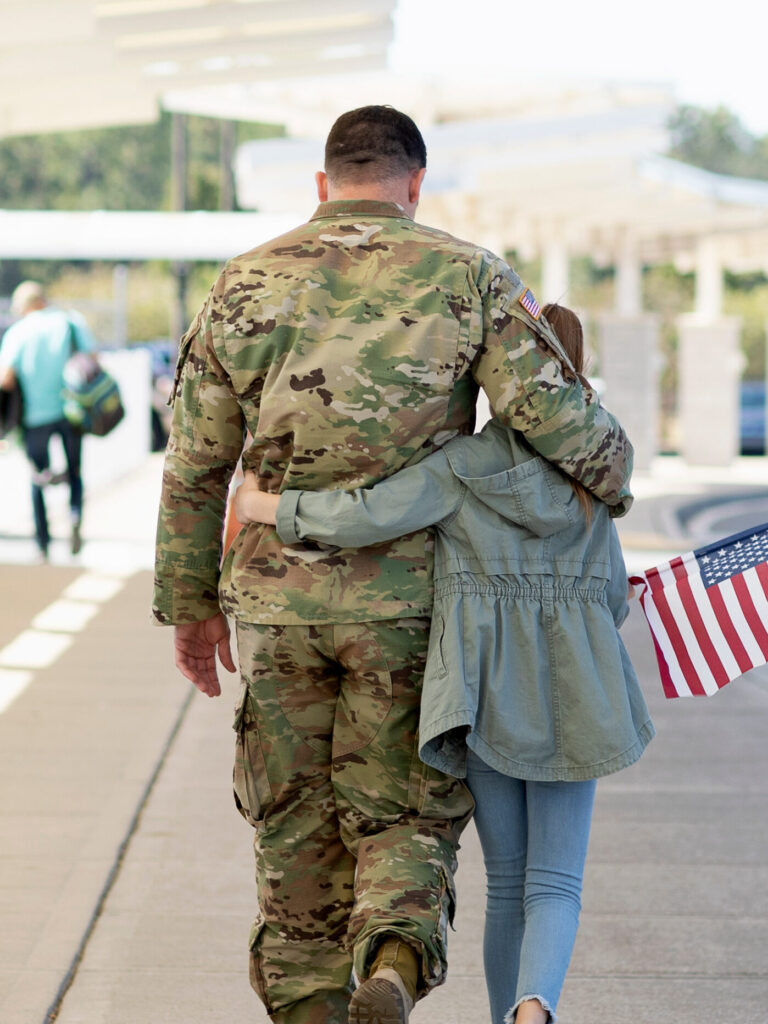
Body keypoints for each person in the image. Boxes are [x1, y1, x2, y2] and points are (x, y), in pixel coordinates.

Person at [152, 105, 635, 1024]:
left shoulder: (244, 282)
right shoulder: (470, 276)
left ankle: (308, 1009)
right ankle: (392, 967)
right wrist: (612, 483)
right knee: (404, 817)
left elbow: (196, 463)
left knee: (295, 827)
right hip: (411, 614)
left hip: (278, 610)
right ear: (416, 184)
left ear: (323, 184)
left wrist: (190, 606)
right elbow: (564, 429)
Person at [233, 303, 655, 1024]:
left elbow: (365, 514)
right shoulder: (594, 482)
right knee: (556, 883)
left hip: (484, 695)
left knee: (508, 881)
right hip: (578, 698)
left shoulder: (462, 466)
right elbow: (613, 598)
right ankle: (532, 1010)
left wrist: (268, 505)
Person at [0, 281, 95, 559]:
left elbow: (5, 377)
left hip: (34, 416)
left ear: (24, 306)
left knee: (37, 477)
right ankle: (75, 514)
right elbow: (91, 358)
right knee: (75, 471)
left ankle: (43, 542)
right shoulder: (70, 322)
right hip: (71, 411)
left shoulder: (18, 332)